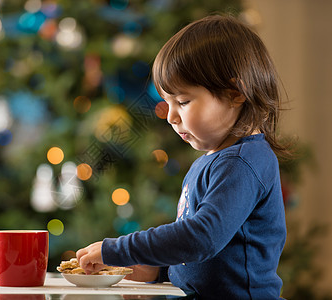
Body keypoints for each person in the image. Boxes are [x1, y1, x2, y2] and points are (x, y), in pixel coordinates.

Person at [76, 14, 289, 299]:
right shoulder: (212, 161)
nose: (172, 116)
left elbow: (202, 237)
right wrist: (158, 270)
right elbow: (206, 259)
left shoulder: (243, 163)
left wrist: (119, 248)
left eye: (183, 101)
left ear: (235, 92)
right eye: (167, 102)